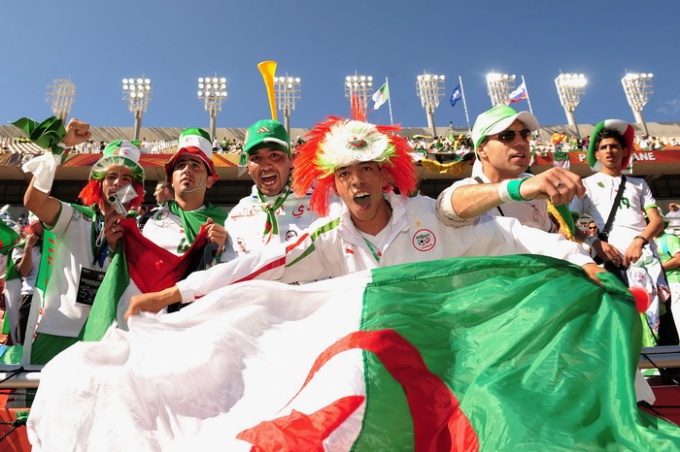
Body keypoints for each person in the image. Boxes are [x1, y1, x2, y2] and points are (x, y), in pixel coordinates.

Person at [126, 117, 602, 318]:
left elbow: (509, 233)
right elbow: (255, 266)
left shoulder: (425, 215)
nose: (359, 182)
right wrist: (173, 293)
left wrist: (575, 258)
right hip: (370, 367)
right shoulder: (327, 237)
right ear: (332, 182)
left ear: (386, 174)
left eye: (368, 169)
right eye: (346, 173)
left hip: (444, 353)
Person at [21, 117, 146, 361]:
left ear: (135, 191)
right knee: (38, 397)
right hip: (59, 327)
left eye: (126, 179)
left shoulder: (136, 233)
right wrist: (58, 149)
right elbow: (34, 202)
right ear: (98, 183)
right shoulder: (73, 216)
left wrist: (113, 249)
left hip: (108, 334)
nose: (118, 183)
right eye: (111, 176)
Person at [570, 119, 675, 344]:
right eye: (604, 147)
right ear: (596, 154)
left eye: (614, 146)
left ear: (624, 151)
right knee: (624, 325)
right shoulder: (586, 185)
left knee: (661, 325)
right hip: (613, 263)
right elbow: (569, 224)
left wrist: (639, 240)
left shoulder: (639, 184)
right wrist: (595, 242)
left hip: (647, 262)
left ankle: (668, 376)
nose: (610, 151)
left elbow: (656, 221)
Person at [436, 105, 584, 235]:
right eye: (506, 136)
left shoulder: (536, 194)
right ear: (482, 149)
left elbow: (551, 241)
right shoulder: (466, 189)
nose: (520, 142)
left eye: (525, 134)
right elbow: (447, 208)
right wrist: (517, 189)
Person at [223, 119, 327, 260]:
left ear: (291, 160)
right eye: (256, 157)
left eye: (274, 155)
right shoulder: (236, 216)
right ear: (247, 166)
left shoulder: (322, 202)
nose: (265, 166)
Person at [141, 127, 227, 261]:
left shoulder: (227, 224)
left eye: (195, 165)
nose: (187, 170)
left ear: (209, 181)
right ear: (171, 180)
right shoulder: (149, 221)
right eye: (181, 165)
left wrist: (220, 253)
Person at [11, 215, 42, 344]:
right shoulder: (21, 246)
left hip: (53, 297)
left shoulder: (57, 241)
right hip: (29, 296)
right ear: (32, 225)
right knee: (23, 342)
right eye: (40, 222)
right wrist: (28, 248)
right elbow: (24, 271)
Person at [654, 218, 680, 336]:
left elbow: (678, 259)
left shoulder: (669, 238)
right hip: (658, 285)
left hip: (674, 282)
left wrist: (657, 268)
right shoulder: (649, 242)